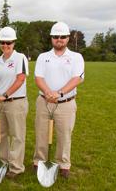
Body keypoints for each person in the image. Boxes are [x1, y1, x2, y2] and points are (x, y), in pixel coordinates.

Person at [33, 22, 85, 179]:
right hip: (44, 101)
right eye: (56, 37)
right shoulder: (43, 57)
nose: (59, 39)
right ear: (51, 38)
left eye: (62, 37)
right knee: (41, 133)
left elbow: (77, 78)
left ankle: (63, 164)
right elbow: (38, 78)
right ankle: (39, 162)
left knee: (64, 135)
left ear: (68, 38)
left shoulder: (76, 57)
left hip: (66, 103)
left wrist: (60, 93)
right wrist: (49, 92)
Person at [0, 26, 29, 179]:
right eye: (3, 42)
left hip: (15, 102)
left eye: (9, 42)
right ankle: (3, 162)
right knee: (0, 133)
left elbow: (20, 79)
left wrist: (4, 95)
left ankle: (16, 167)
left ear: (14, 43)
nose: (5, 45)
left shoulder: (21, 58)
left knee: (17, 135)